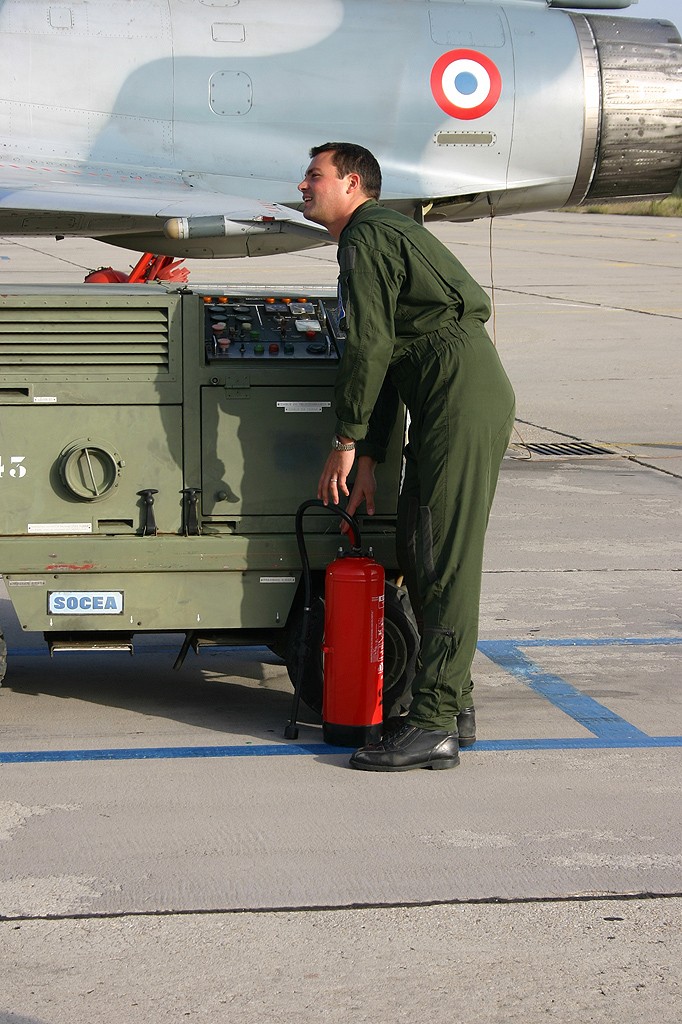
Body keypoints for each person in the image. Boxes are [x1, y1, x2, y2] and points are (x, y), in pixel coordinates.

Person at [299, 142, 515, 772]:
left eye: (315, 175)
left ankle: (435, 723)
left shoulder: (367, 238)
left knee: (444, 556)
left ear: (353, 183)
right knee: (421, 551)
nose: (304, 185)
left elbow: (368, 348)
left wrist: (343, 441)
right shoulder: (373, 235)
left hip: (458, 388)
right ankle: (454, 705)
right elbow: (389, 356)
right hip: (438, 388)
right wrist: (370, 459)